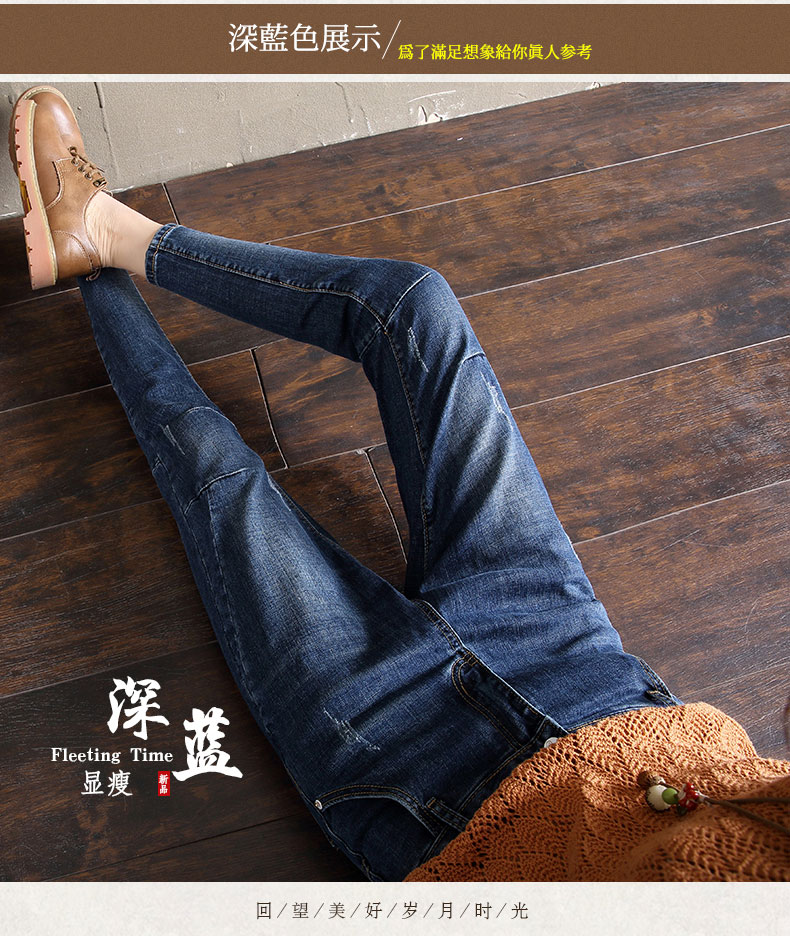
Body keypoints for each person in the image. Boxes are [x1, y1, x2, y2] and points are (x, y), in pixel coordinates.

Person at [10, 86, 790, 882]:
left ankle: (91, 265)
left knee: (217, 472)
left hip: (422, 784)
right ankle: (108, 229)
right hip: (580, 667)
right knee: (414, 307)